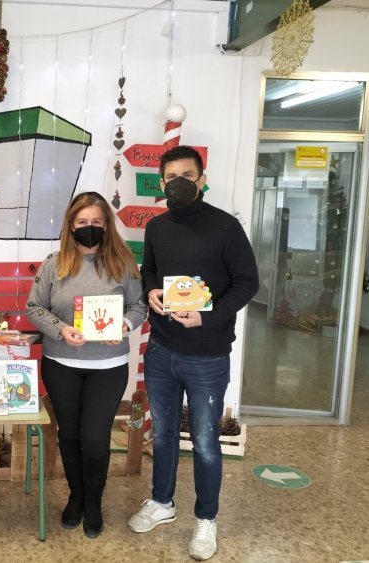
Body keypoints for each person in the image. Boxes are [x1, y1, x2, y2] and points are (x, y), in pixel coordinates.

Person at [128, 146, 258, 561]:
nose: (179, 183)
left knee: (204, 441)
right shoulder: (157, 227)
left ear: (201, 180)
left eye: (187, 175)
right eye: (171, 178)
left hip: (207, 353)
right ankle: (162, 503)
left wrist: (210, 318)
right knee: (163, 434)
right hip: (162, 348)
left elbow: (247, 282)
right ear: (162, 183)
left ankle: (206, 520)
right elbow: (148, 268)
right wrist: (150, 291)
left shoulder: (225, 228)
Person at [26, 191, 146, 539]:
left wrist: (124, 325)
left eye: (96, 222)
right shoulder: (54, 264)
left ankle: (94, 502)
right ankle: (76, 498)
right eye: (82, 223)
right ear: (71, 225)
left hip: (108, 366)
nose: (89, 228)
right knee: (71, 435)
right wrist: (61, 329)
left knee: (95, 438)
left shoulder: (123, 264)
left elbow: (139, 307)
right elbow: (34, 308)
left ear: (107, 225)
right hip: (61, 363)